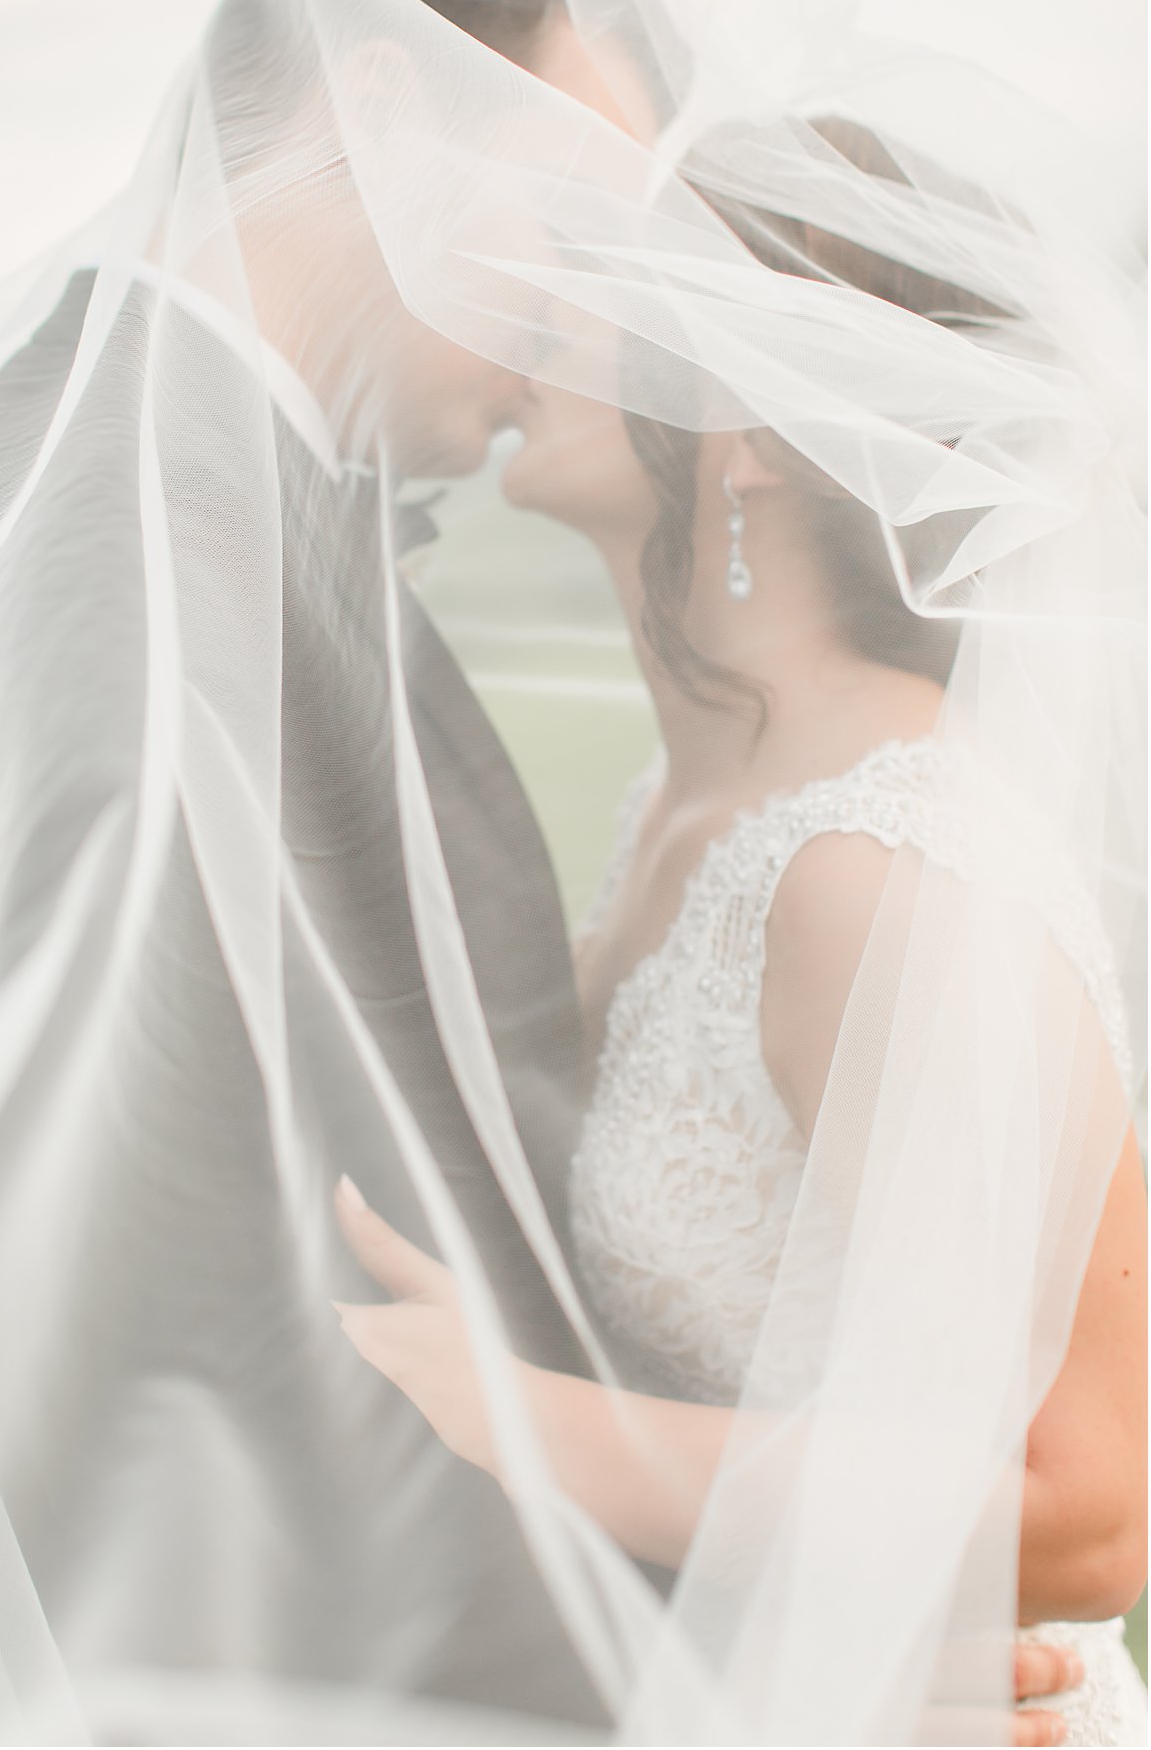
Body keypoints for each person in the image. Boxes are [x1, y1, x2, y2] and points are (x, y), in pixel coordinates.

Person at [0, 0, 1138, 1747]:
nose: (597, 312)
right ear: (392, 104)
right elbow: (214, 1354)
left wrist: (823, 1629)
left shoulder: (230, 516)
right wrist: (775, 1674)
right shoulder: (113, 557)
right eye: (573, 218)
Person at [335, 118, 1146, 1746]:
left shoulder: (885, 866)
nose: (556, 314)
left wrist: (513, 1415)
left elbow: (1094, 1508)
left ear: (758, 433)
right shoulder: (688, 803)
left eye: (640, 298)